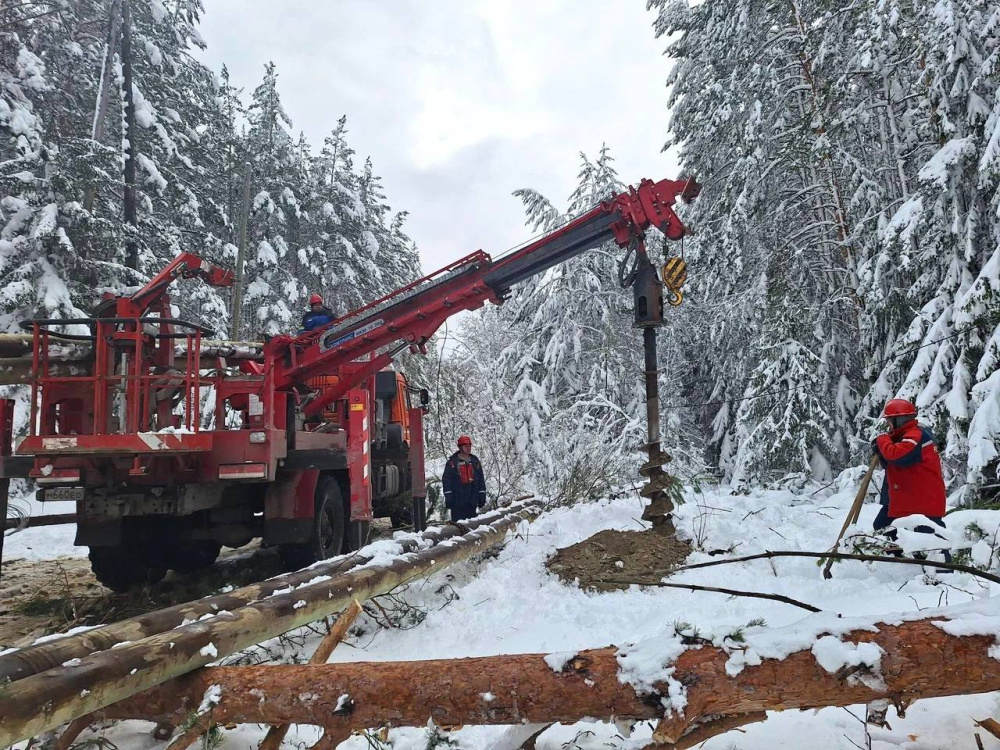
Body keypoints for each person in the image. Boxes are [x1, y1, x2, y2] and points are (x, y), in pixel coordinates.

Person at [871, 398, 949, 558]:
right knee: (883, 527)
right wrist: (882, 448)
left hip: (923, 501)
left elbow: (896, 457)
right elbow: (894, 465)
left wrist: (882, 441)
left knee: (930, 544)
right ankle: (901, 560)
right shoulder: (906, 436)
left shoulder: (916, 436)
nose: (887, 425)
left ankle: (942, 570)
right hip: (907, 499)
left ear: (898, 420)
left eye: (889, 421)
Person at [442, 435, 487, 522]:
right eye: (465, 446)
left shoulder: (475, 461)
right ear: (460, 447)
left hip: (472, 499)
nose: (468, 448)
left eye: (469, 445)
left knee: (472, 523)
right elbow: (447, 481)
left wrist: (482, 495)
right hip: (457, 500)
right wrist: (449, 498)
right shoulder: (452, 463)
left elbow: (480, 479)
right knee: (458, 524)